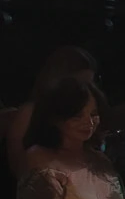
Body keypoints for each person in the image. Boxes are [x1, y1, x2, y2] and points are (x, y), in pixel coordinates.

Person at [6, 45, 99, 179]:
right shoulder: (29, 112)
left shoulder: (90, 118)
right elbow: (18, 167)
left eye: (89, 84)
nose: (85, 92)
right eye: (79, 84)